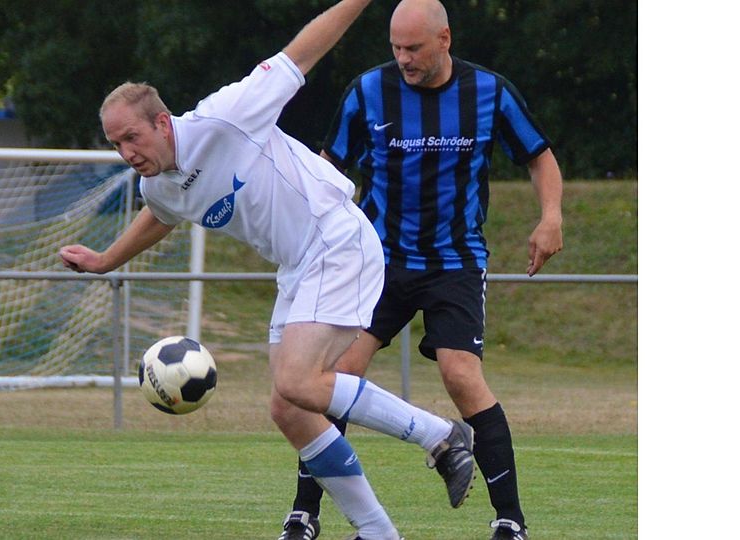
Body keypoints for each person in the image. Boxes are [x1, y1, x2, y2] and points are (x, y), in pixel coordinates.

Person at [59, 1, 481, 539]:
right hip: (298, 265)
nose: (125, 152)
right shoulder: (157, 184)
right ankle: (378, 532)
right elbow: (160, 216)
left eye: (131, 138)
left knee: (298, 380)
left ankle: (440, 436)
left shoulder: (227, 114)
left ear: (162, 122)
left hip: (335, 237)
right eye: (115, 144)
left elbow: (302, 54)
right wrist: (103, 261)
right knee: (289, 407)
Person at [276, 1, 563, 540]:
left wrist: (551, 217)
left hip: (456, 261)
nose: (403, 58)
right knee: (334, 375)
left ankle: (510, 520)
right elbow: (326, 169)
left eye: (413, 48)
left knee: (461, 375)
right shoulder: (368, 92)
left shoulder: (489, 92)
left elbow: (538, 155)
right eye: (396, 48)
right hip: (375, 261)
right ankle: (304, 513)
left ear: (444, 39)